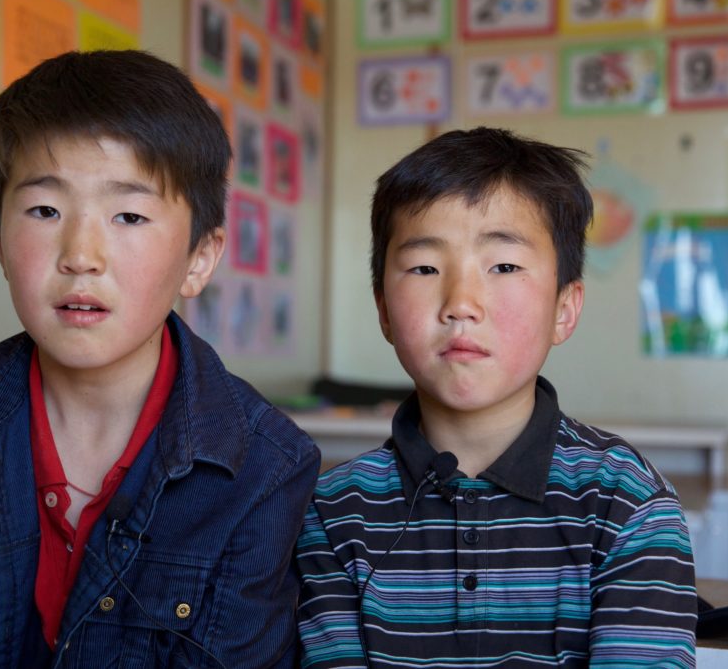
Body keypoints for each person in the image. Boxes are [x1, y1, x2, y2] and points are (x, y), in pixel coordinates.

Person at [0, 49, 320, 668]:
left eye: (129, 215)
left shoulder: (266, 465)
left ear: (200, 258)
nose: (81, 254)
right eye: (45, 211)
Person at [296, 128, 698, 667]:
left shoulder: (628, 504)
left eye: (503, 266)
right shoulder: (333, 513)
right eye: (424, 268)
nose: (461, 303)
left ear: (564, 308)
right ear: (385, 311)